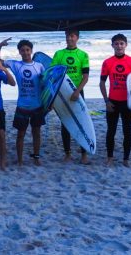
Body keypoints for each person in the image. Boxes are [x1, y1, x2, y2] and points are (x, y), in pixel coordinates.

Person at [0, 38, 45, 166]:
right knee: (20, 134)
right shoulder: (16, 65)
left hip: (37, 105)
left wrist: (49, 103)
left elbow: (46, 85)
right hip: (22, 105)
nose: (26, 52)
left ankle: (36, 157)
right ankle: (20, 160)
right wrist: (0, 46)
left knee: (36, 133)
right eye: (23, 50)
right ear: (20, 52)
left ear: (31, 51)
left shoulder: (39, 66)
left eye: (28, 50)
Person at [99, 34, 131, 167]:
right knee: (110, 131)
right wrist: (106, 101)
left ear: (126, 45)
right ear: (112, 45)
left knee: (127, 131)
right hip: (113, 102)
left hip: (128, 103)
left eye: (121, 43)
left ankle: (126, 159)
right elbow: (101, 83)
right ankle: (110, 158)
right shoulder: (107, 62)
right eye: (116, 44)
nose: (119, 46)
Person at [51, 28, 90, 164]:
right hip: (62, 93)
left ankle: (84, 153)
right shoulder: (59, 54)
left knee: (82, 122)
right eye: (68, 36)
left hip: (78, 91)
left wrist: (77, 91)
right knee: (65, 123)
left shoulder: (83, 55)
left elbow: (85, 77)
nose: (70, 38)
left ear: (77, 37)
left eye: (72, 36)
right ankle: (67, 154)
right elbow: (53, 74)